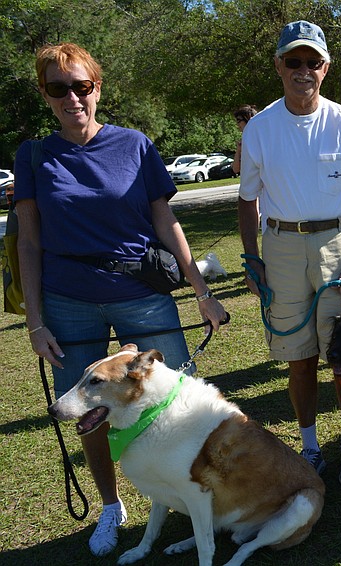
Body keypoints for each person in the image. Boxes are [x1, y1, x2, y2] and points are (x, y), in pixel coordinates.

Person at [14, 42, 226, 556]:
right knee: (88, 411)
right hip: (69, 304)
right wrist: (36, 322)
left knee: (177, 405)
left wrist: (201, 290)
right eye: (58, 88)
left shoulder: (133, 145)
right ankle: (112, 507)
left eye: (81, 86)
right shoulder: (34, 156)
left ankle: (195, 493)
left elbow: (164, 219)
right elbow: (28, 241)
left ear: (97, 88)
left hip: (141, 296)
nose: (72, 98)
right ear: (46, 95)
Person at [237, 21, 341, 485]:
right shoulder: (259, 128)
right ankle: (311, 448)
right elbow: (246, 199)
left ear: (325, 68)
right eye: (294, 61)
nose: (303, 70)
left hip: (339, 244)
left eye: (312, 62)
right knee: (298, 358)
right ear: (279, 66)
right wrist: (251, 257)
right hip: (280, 246)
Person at [232, 104, 257, 175]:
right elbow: (236, 169)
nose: (237, 124)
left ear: (248, 119)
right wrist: (238, 150)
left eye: (239, 120)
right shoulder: (243, 141)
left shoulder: (261, 139)